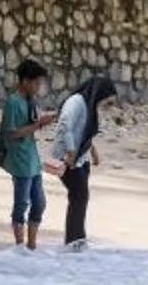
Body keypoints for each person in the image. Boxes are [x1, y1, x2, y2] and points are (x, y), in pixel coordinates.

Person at [49, 71, 118, 249]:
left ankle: (77, 239)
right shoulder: (76, 102)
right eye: (108, 102)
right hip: (67, 157)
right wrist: (71, 151)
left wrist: (93, 151)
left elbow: (84, 131)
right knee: (79, 196)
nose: (107, 107)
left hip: (81, 158)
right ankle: (74, 241)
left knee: (80, 197)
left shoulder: (89, 105)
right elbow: (65, 125)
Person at [0, 56, 50, 248]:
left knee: (39, 203)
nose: (38, 87)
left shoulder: (29, 101)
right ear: (25, 81)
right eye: (36, 83)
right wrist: (38, 124)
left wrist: (42, 121)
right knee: (21, 204)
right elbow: (11, 134)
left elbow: (31, 125)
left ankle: (31, 246)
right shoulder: (13, 102)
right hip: (19, 160)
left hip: (32, 159)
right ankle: (20, 246)